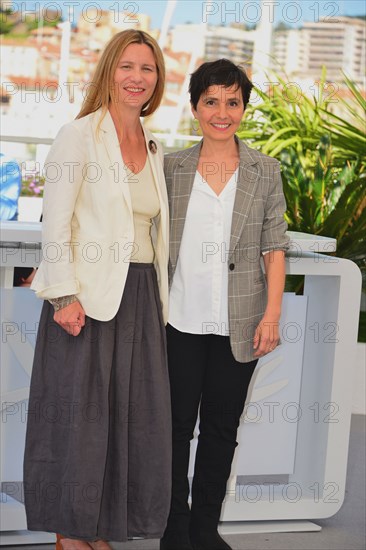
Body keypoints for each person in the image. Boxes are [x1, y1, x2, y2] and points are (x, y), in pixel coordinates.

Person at [23, 29, 171, 550]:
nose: (137, 78)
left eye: (147, 69)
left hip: (139, 297)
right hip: (84, 299)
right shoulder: (78, 135)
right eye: (127, 67)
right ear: (109, 71)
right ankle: (69, 535)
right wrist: (63, 295)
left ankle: (99, 531)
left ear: (158, 79)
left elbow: (153, 231)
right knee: (77, 425)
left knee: (125, 424)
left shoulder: (154, 146)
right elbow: (54, 224)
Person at [161, 59, 290, 550]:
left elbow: (273, 248)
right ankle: (174, 530)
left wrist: (272, 314)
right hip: (178, 320)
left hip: (241, 323)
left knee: (221, 430)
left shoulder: (265, 170)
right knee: (174, 431)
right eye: (211, 101)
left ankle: (203, 529)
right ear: (195, 106)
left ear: (243, 107)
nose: (221, 112)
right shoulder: (171, 166)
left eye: (232, 102)